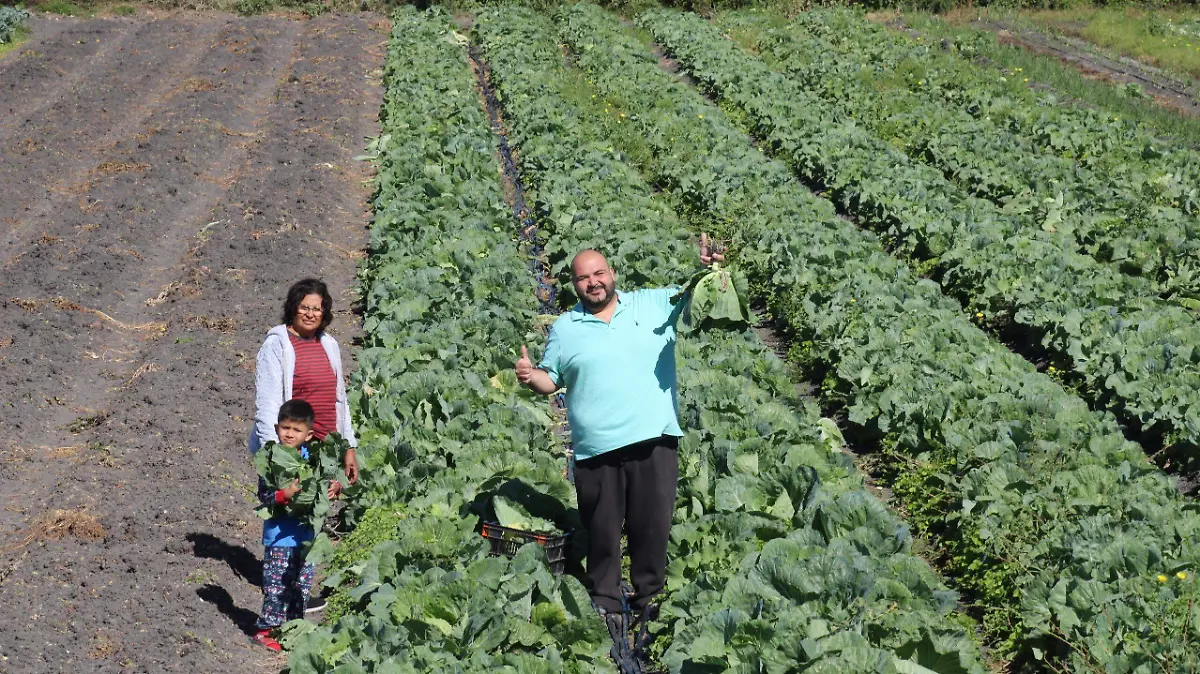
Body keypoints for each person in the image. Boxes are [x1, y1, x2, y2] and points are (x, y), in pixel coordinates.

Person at [514, 235, 725, 653]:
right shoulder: (565, 328)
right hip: (597, 448)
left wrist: (711, 268)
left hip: (654, 439)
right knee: (603, 530)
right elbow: (549, 380)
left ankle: (650, 598)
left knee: (652, 526)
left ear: (612, 275)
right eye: (583, 278)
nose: (593, 282)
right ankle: (606, 599)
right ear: (573, 285)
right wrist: (528, 375)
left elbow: (701, 295)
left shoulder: (652, 303)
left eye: (599, 273)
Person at [250, 277, 359, 613]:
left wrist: (348, 446)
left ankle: (297, 596)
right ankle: (276, 599)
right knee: (285, 518)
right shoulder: (278, 344)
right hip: (292, 448)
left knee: (314, 518)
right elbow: (267, 403)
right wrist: (276, 455)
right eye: (305, 307)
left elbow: (339, 399)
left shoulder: (330, 345)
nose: (311, 313)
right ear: (293, 308)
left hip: (323, 448)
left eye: (318, 308)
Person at [250, 400, 343, 652]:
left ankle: (292, 630)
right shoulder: (271, 458)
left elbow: (326, 482)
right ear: (276, 428)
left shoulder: (313, 458)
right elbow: (265, 496)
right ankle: (265, 629)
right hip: (280, 536)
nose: (289, 434)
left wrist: (335, 487)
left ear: (309, 435)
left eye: (296, 429)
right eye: (285, 428)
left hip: (307, 537)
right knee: (277, 586)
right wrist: (285, 494)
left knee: (301, 587)